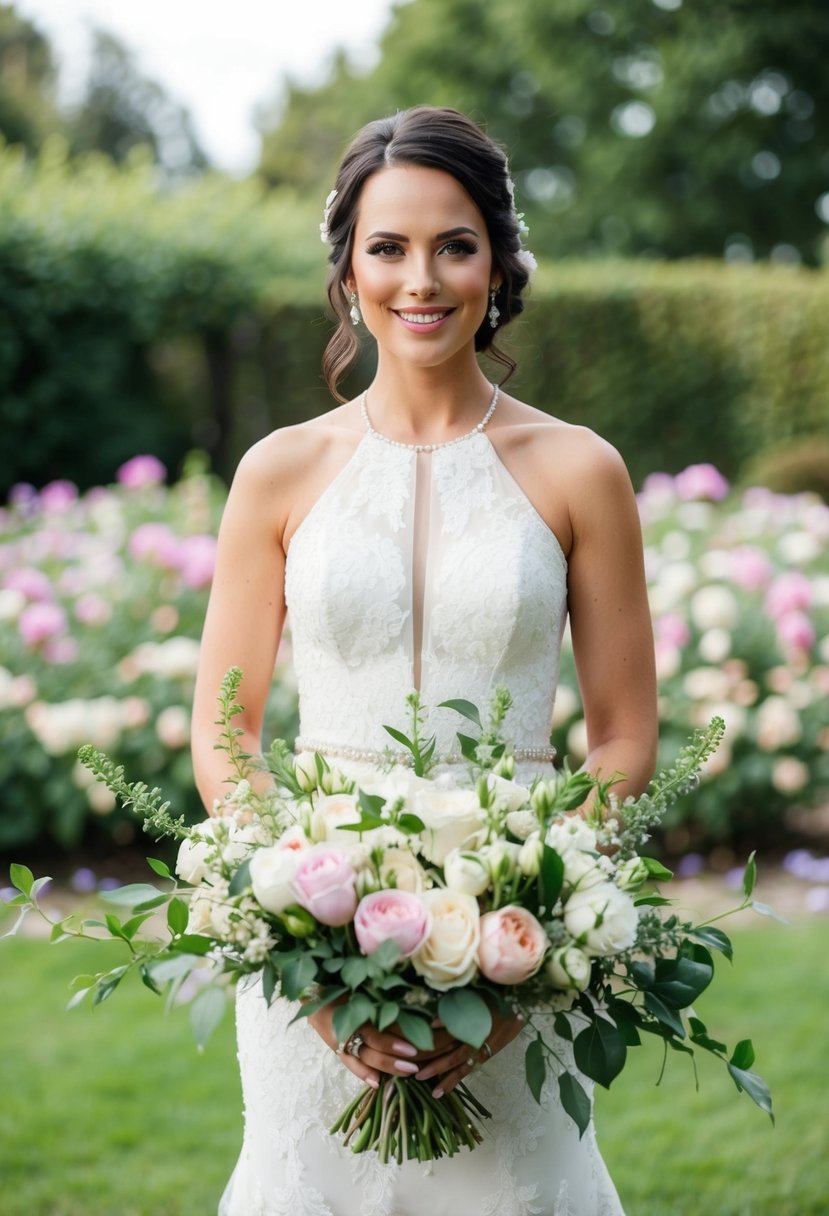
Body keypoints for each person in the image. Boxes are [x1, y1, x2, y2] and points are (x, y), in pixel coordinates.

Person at [191, 105, 658, 1216]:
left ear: (498, 261)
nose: (422, 279)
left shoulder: (580, 470)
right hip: (314, 928)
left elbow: (625, 736)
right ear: (347, 267)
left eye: (454, 244)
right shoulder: (278, 471)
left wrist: (525, 951)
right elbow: (225, 732)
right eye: (388, 246)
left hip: (514, 937)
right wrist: (303, 957)